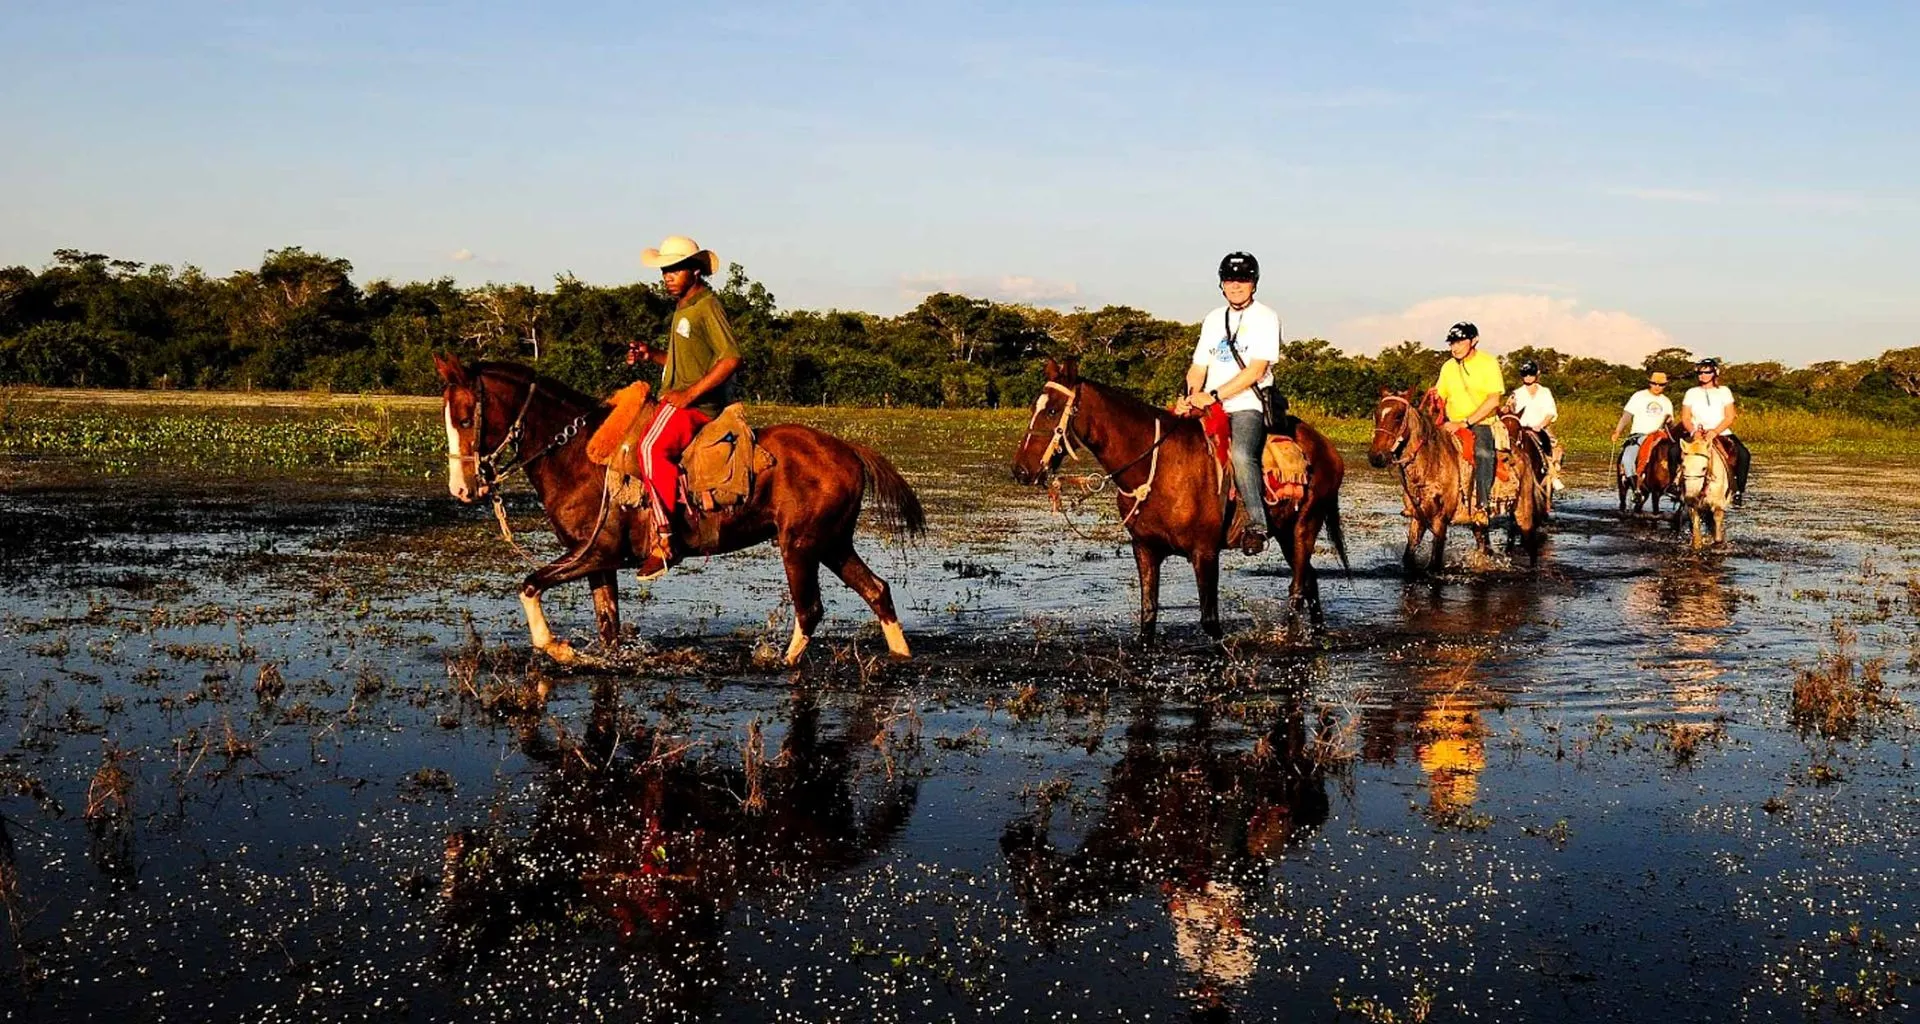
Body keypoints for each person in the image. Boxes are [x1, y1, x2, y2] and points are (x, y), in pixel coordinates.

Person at [624, 235, 743, 577]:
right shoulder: (682, 308)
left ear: (695, 271)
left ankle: (664, 539)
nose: (668, 276)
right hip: (677, 396)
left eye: (675, 269)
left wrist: (689, 396)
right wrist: (651, 356)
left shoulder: (707, 306)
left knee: (648, 448)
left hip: (698, 406)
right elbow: (682, 363)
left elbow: (731, 358)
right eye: (665, 270)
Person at [1180, 251, 1282, 552]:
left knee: (1240, 455)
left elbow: (1256, 370)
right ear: (1221, 285)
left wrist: (1212, 395)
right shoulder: (1213, 319)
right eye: (1229, 280)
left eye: (1242, 280)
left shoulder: (1265, 317)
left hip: (1245, 403)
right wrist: (1190, 396)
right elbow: (1199, 366)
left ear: (1254, 283)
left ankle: (1257, 525)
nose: (1235, 285)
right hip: (1208, 403)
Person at [1433, 322, 1504, 522]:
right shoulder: (1448, 367)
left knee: (1483, 452)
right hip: (1450, 423)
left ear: (1474, 341)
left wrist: (1466, 422)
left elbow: (1493, 400)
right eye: (1451, 343)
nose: (1454, 348)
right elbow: (1441, 394)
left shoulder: (1488, 363)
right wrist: (1435, 401)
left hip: (1481, 422)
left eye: (1459, 342)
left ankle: (1483, 505)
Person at [1678, 357, 1751, 504]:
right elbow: (1685, 417)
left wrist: (1715, 431)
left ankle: (1738, 491)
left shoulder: (1724, 391)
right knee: (1673, 452)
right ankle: (1676, 486)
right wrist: (1693, 431)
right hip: (1697, 434)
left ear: (1714, 373)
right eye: (1700, 373)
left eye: (1707, 372)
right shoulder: (1691, 392)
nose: (1702, 376)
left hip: (1721, 432)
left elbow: (1730, 416)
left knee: (1744, 455)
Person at [1609, 371, 1675, 485]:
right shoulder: (1639, 396)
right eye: (1655, 383)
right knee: (1627, 459)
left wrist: (1669, 422)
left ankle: (1674, 484)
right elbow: (1627, 416)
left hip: (1659, 436)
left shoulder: (1667, 401)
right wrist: (1618, 431)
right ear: (1650, 383)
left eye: (1661, 385)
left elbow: (1670, 424)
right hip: (1639, 435)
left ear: (1665, 385)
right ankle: (1634, 486)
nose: (1657, 387)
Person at [1507, 360, 1564, 492]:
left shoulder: (1545, 392)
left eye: (1530, 374)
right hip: (1521, 428)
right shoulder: (1517, 393)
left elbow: (1551, 412)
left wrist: (1541, 425)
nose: (1528, 377)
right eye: (1525, 374)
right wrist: (1508, 405)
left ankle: (1553, 474)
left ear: (1536, 374)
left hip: (1540, 427)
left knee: (1551, 446)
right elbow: (1509, 412)